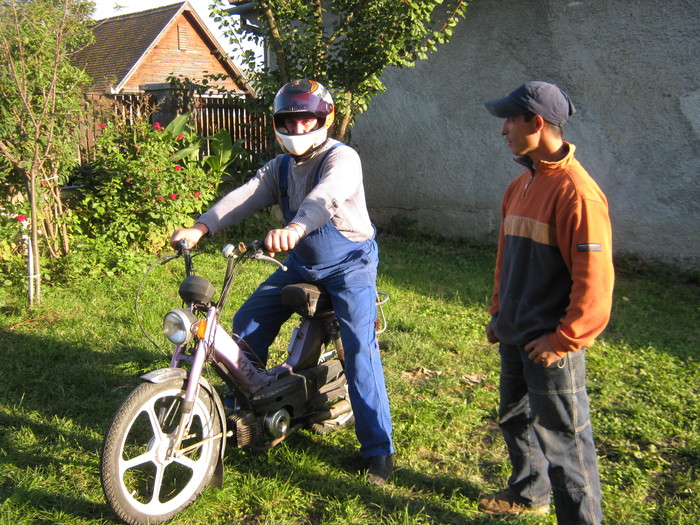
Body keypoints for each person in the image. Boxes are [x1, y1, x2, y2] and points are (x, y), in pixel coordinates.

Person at [170, 78, 394, 486]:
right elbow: (246, 194)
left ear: (323, 120)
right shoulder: (281, 167)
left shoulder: (342, 159)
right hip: (301, 263)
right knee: (247, 322)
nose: (296, 131)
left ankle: (379, 452)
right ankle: (246, 407)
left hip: (351, 266)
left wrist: (295, 226)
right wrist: (201, 227)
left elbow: (324, 199)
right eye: (288, 123)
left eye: (305, 121)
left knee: (360, 350)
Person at [479, 81, 614, 524]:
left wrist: (563, 339)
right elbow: (506, 260)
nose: (503, 130)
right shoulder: (519, 186)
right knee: (515, 419)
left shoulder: (577, 193)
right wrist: (499, 313)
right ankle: (529, 492)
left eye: (510, 120)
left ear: (536, 123)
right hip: (514, 333)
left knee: (565, 444)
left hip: (550, 344)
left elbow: (594, 283)